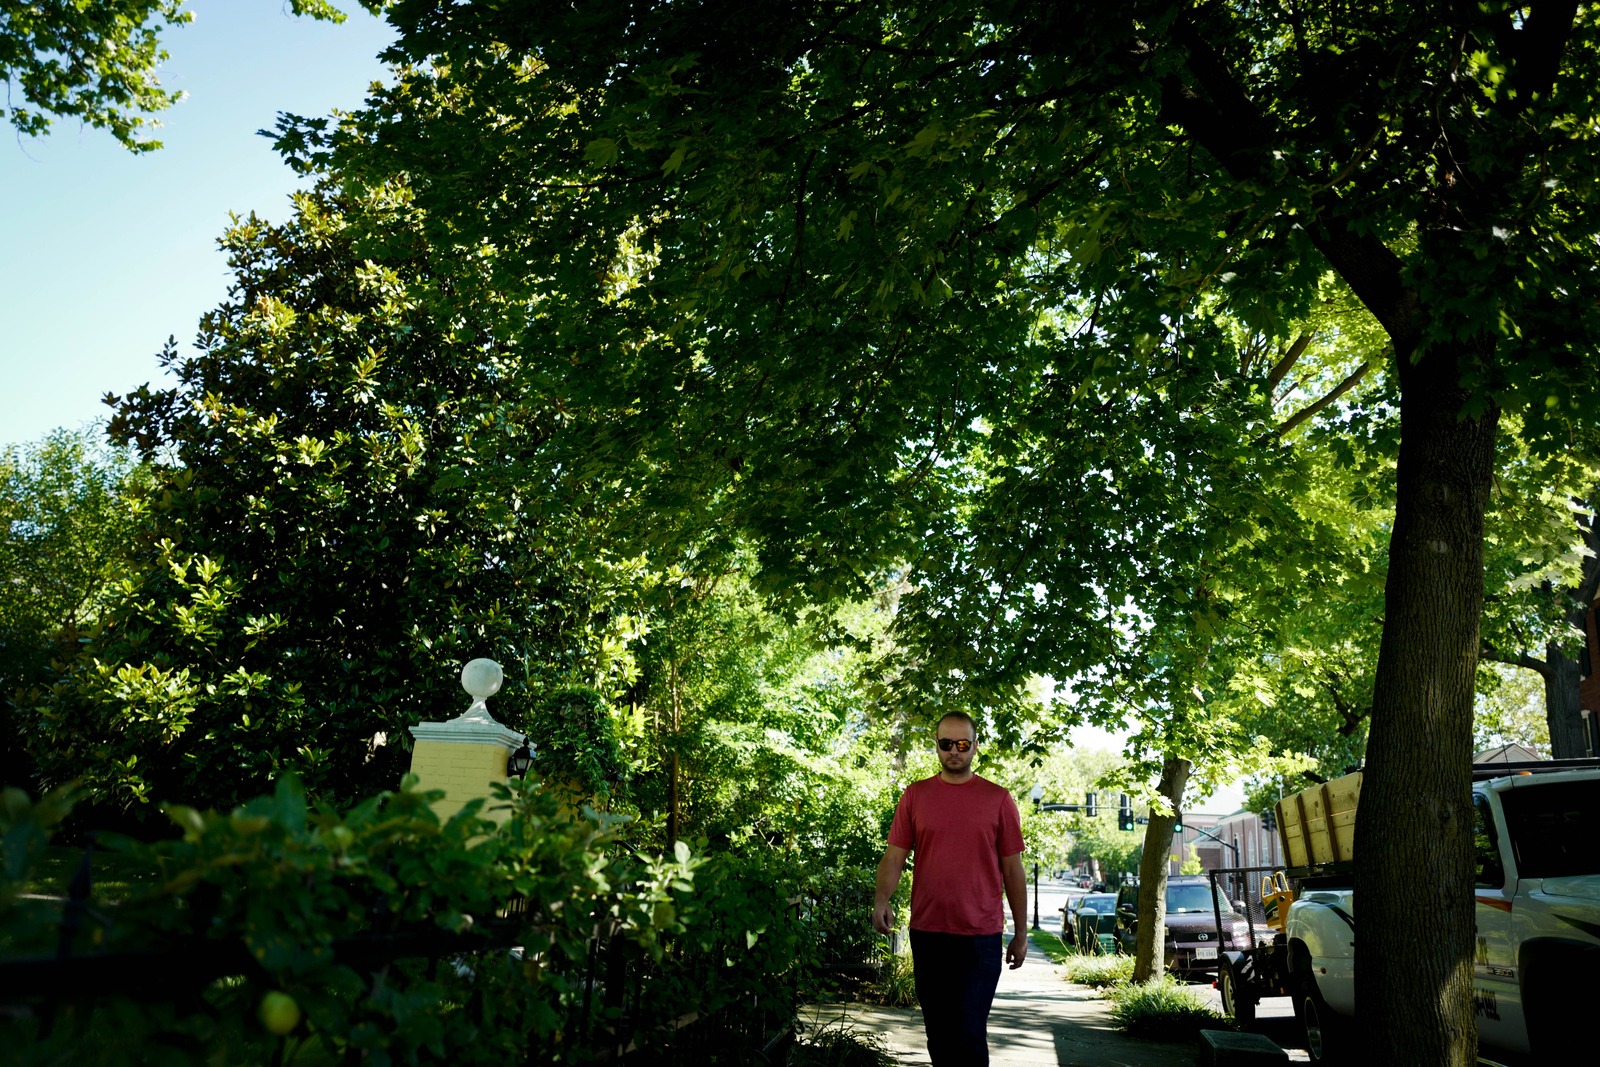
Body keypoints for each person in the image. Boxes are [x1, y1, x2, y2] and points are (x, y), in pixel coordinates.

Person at [872, 711, 1027, 1066]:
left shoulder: (998, 799)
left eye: (962, 744)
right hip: (929, 933)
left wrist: (1021, 933)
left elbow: (1013, 870)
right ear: (937, 746)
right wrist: (882, 899)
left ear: (975, 747)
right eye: (946, 744)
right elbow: (894, 856)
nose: (954, 751)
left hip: (980, 937)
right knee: (939, 1034)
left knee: (968, 1032)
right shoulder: (915, 796)